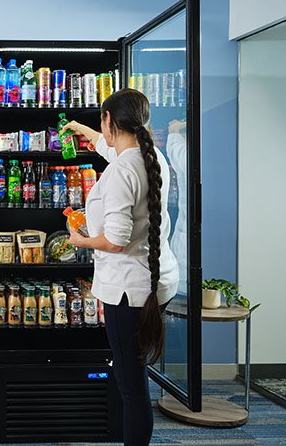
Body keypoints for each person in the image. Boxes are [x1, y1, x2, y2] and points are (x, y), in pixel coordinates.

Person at [63, 88, 178, 446]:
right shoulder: (151, 156)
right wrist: (85, 130)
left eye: (102, 122)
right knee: (135, 371)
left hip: (129, 290)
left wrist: (78, 240)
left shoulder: (119, 174)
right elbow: (112, 148)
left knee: (131, 388)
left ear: (110, 120)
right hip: (157, 281)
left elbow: (115, 239)